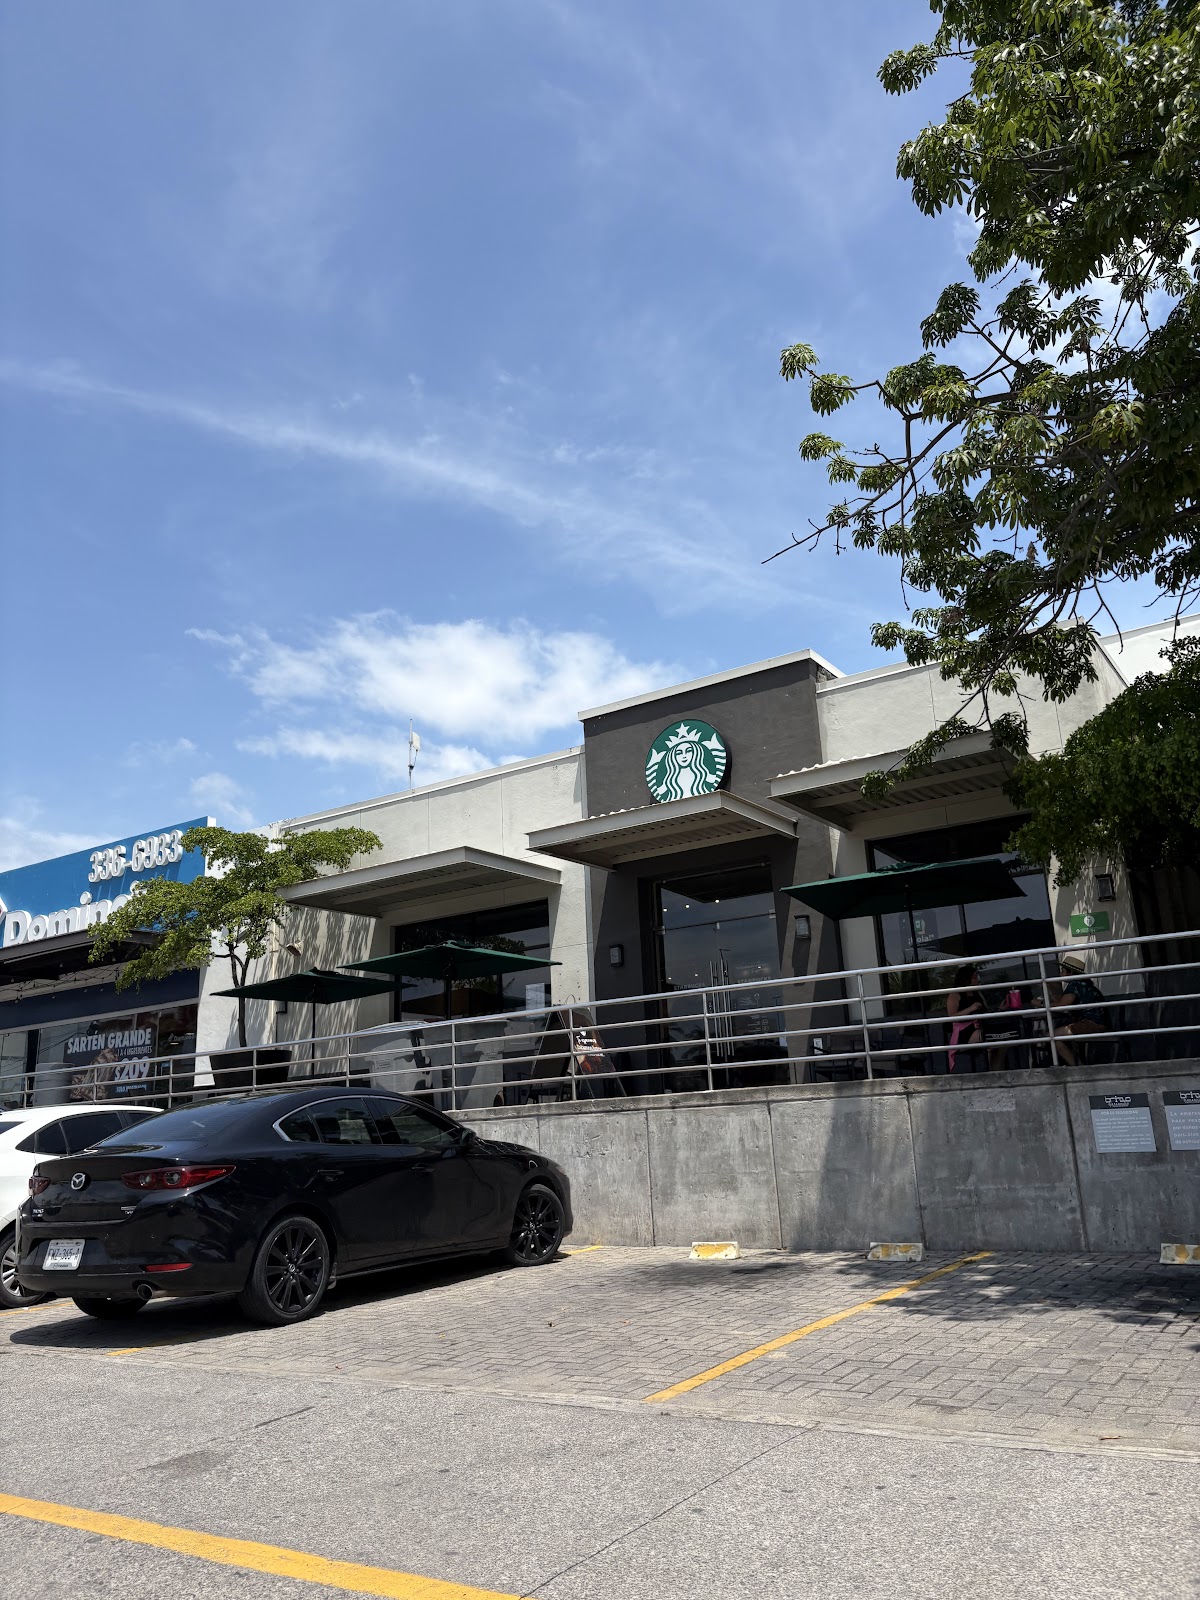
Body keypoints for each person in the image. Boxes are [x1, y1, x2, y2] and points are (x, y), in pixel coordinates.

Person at [1051, 956, 1107, 1065]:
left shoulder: (1074, 985)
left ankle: (1078, 1067)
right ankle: (1077, 1065)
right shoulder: (1086, 984)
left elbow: (1062, 1005)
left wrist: (1042, 1004)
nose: (1060, 973)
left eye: (1063, 971)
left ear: (1070, 972)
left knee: (1051, 1036)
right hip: (1100, 1022)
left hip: (1090, 1023)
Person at [946, 964, 988, 1072]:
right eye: (974, 977)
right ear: (966, 979)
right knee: (985, 1036)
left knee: (999, 1042)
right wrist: (970, 1009)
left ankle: (995, 1069)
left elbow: (986, 1010)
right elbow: (952, 1017)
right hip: (964, 1031)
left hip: (982, 1025)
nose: (977, 980)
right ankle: (987, 1070)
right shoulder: (955, 995)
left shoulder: (977, 993)